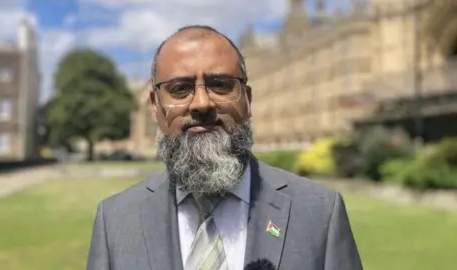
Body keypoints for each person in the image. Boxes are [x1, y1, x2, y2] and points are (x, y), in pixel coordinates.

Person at [86, 25, 363, 270]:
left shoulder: (319, 213)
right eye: (180, 89)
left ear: (248, 99)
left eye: (220, 85)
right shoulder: (116, 221)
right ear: (155, 107)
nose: (202, 104)